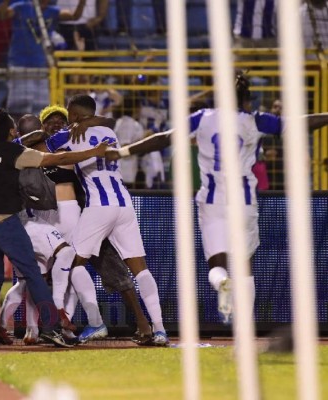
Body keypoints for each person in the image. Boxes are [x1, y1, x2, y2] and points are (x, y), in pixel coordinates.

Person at [105, 73, 328, 324]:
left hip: (212, 202)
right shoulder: (255, 121)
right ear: (246, 100)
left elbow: (164, 138)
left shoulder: (202, 118)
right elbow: (299, 123)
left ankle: (223, 282)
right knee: (245, 265)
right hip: (243, 201)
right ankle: (246, 327)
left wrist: (122, 152)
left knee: (217, 266)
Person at [0, 108, 112, 348]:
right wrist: (95, 152)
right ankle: (50, 326)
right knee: (34, 274)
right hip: (6, 222)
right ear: (10, 131)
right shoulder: (16, 153)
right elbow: (57, 158)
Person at [23, 105, 159, 345]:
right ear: (42, 127)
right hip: (46, 220)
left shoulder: (75, 143)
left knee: (116, 274)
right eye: (50, 121)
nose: (56, 124)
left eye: (61, 120)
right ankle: (43, 329)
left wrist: (83, 125)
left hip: (87, 216)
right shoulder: (37, 151)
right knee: (44, 274)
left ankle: (139, 323)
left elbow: (107, 120)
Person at [0, 0, 86, 116]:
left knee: (41, 109)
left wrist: (82, 2)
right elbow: (2, 15)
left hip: (42, 66)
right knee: (18, 108)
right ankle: (16, 133)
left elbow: (74, 16)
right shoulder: (21, 7)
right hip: (19, 64)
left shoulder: (53, 11)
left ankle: (38, 133)